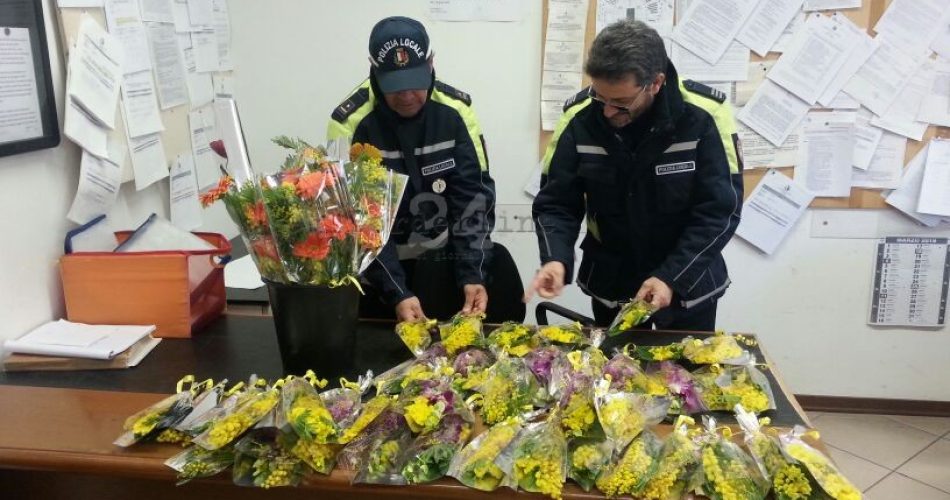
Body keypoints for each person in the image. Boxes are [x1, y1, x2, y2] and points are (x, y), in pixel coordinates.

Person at [526, 20, 743, 332]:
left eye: (621, 102)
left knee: (688, 365)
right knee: (612, 364)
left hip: (687, 284)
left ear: (655, 83)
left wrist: (671, 277)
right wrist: (555, 258)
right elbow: (556, 203)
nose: (607, 111)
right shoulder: (579, 119)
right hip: (612, 283)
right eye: (599, 96)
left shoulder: (704, 117)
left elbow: (720, 211)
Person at [327, 16, 498, 323]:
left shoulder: (457, 111)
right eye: (395, 86)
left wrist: (473, 273)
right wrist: (396, 290)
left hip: (444, 266)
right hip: (377, 273)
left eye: (415, 83)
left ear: (431, 64)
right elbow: (352, 218)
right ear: (374, 70)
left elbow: (473, 200)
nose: (406, 96)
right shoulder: (347, 123)